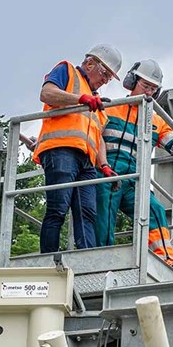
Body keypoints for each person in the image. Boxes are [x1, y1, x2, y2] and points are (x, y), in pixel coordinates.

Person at [94, 59, 173, 278]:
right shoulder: (109, 107)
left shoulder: (155, 119)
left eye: (153, 89)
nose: (148, 93)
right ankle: (102, 264)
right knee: (104, 215)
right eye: (145, 86)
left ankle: (167, 260)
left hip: (136, 178)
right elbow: (90, 134)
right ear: (132, 82)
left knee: (155, 209)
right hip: (108, 172)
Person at [32, 44, 123, 254]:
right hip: (60, 150)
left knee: (87, 213)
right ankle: (48, 259)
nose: (105, 80)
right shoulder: (67, 71)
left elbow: (97, 135)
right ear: (90, 63)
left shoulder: (96, 100)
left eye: (109, 78)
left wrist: (105, 165)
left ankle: (86, 261)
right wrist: (80, 99)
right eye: (105, 73)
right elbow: (47, 93)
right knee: (58, 209)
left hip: (86, 161)